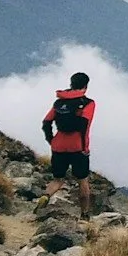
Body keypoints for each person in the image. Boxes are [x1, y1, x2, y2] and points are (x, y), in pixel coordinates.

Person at [41, 71, 97, 215]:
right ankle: (85, 214)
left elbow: (46, 122)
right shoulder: (88, 103)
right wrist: (85, 148)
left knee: (57, 180)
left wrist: (51, 140)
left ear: (71, 84)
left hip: (58, 145)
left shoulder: (59, 102)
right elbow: (85, 127)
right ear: (85, 86)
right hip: (77, 146)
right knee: (82, 181)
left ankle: (45, 196)